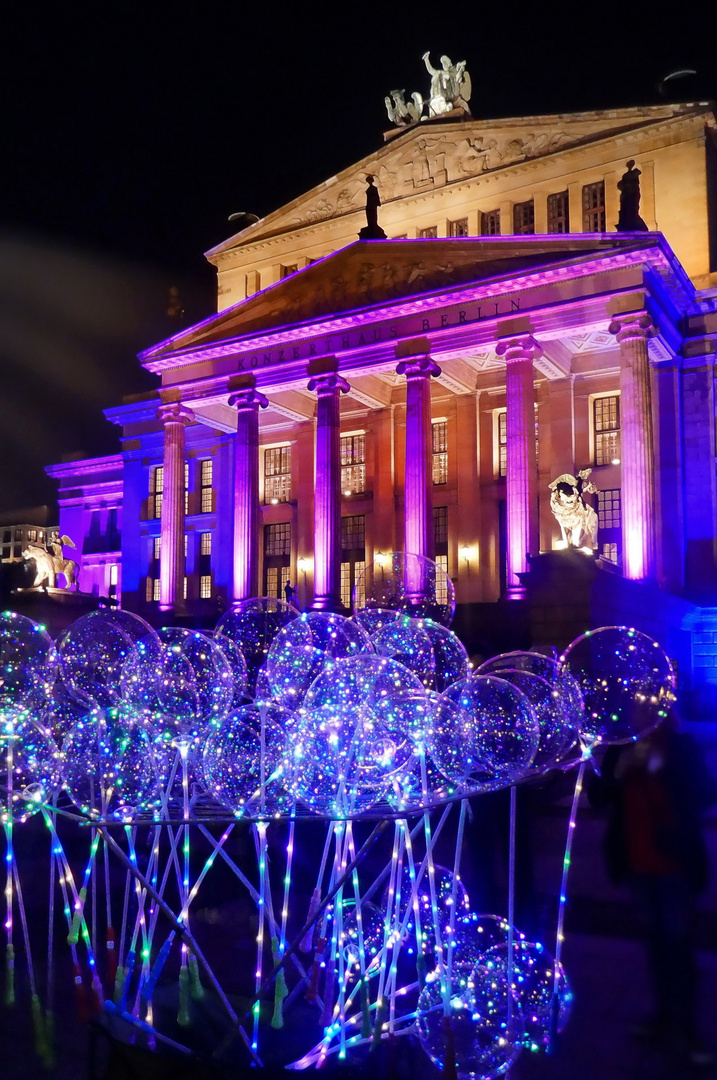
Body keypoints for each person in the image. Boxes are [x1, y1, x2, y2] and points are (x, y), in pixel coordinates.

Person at [588, 710, 716, 1066]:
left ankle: (687, 1029)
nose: (644, 715)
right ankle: (662, 1017)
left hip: (674, 867)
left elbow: (706, 795)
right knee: (656, 944)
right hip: (637, 866)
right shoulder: (622, 748)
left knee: (679, 946)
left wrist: (665, 768)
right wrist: (610, 771)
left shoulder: (680, 747)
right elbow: (599, 798)